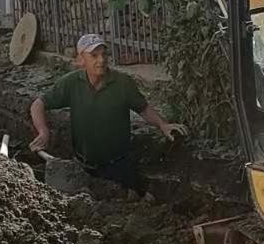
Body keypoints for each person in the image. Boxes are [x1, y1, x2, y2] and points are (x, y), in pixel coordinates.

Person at [29, 33, 188, 195]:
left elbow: (143, 108)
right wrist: (43, 131)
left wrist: (163, 124)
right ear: (81, 60)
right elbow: (38, 104)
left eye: (104, 54)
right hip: (83, 167)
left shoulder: (122, 83)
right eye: (94, 55)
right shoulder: (71, 83)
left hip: (119, 167)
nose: (101, 60)